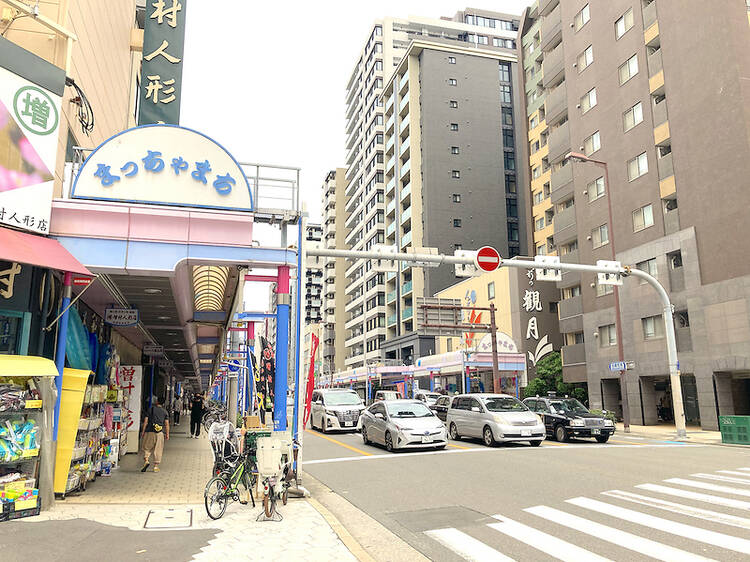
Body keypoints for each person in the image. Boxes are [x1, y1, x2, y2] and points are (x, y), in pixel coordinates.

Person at [141, 397, 169, 473]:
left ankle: (146, 460)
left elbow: (146, 421)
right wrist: (167, 434)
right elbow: (166, 424)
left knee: (147, 447)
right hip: (159, 433)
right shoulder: (165, 412)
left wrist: (143, 431)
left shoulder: (151, 409)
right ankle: (155, 467)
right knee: (158, 449)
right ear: (163, 403)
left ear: (157, 402)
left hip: (150, 431)